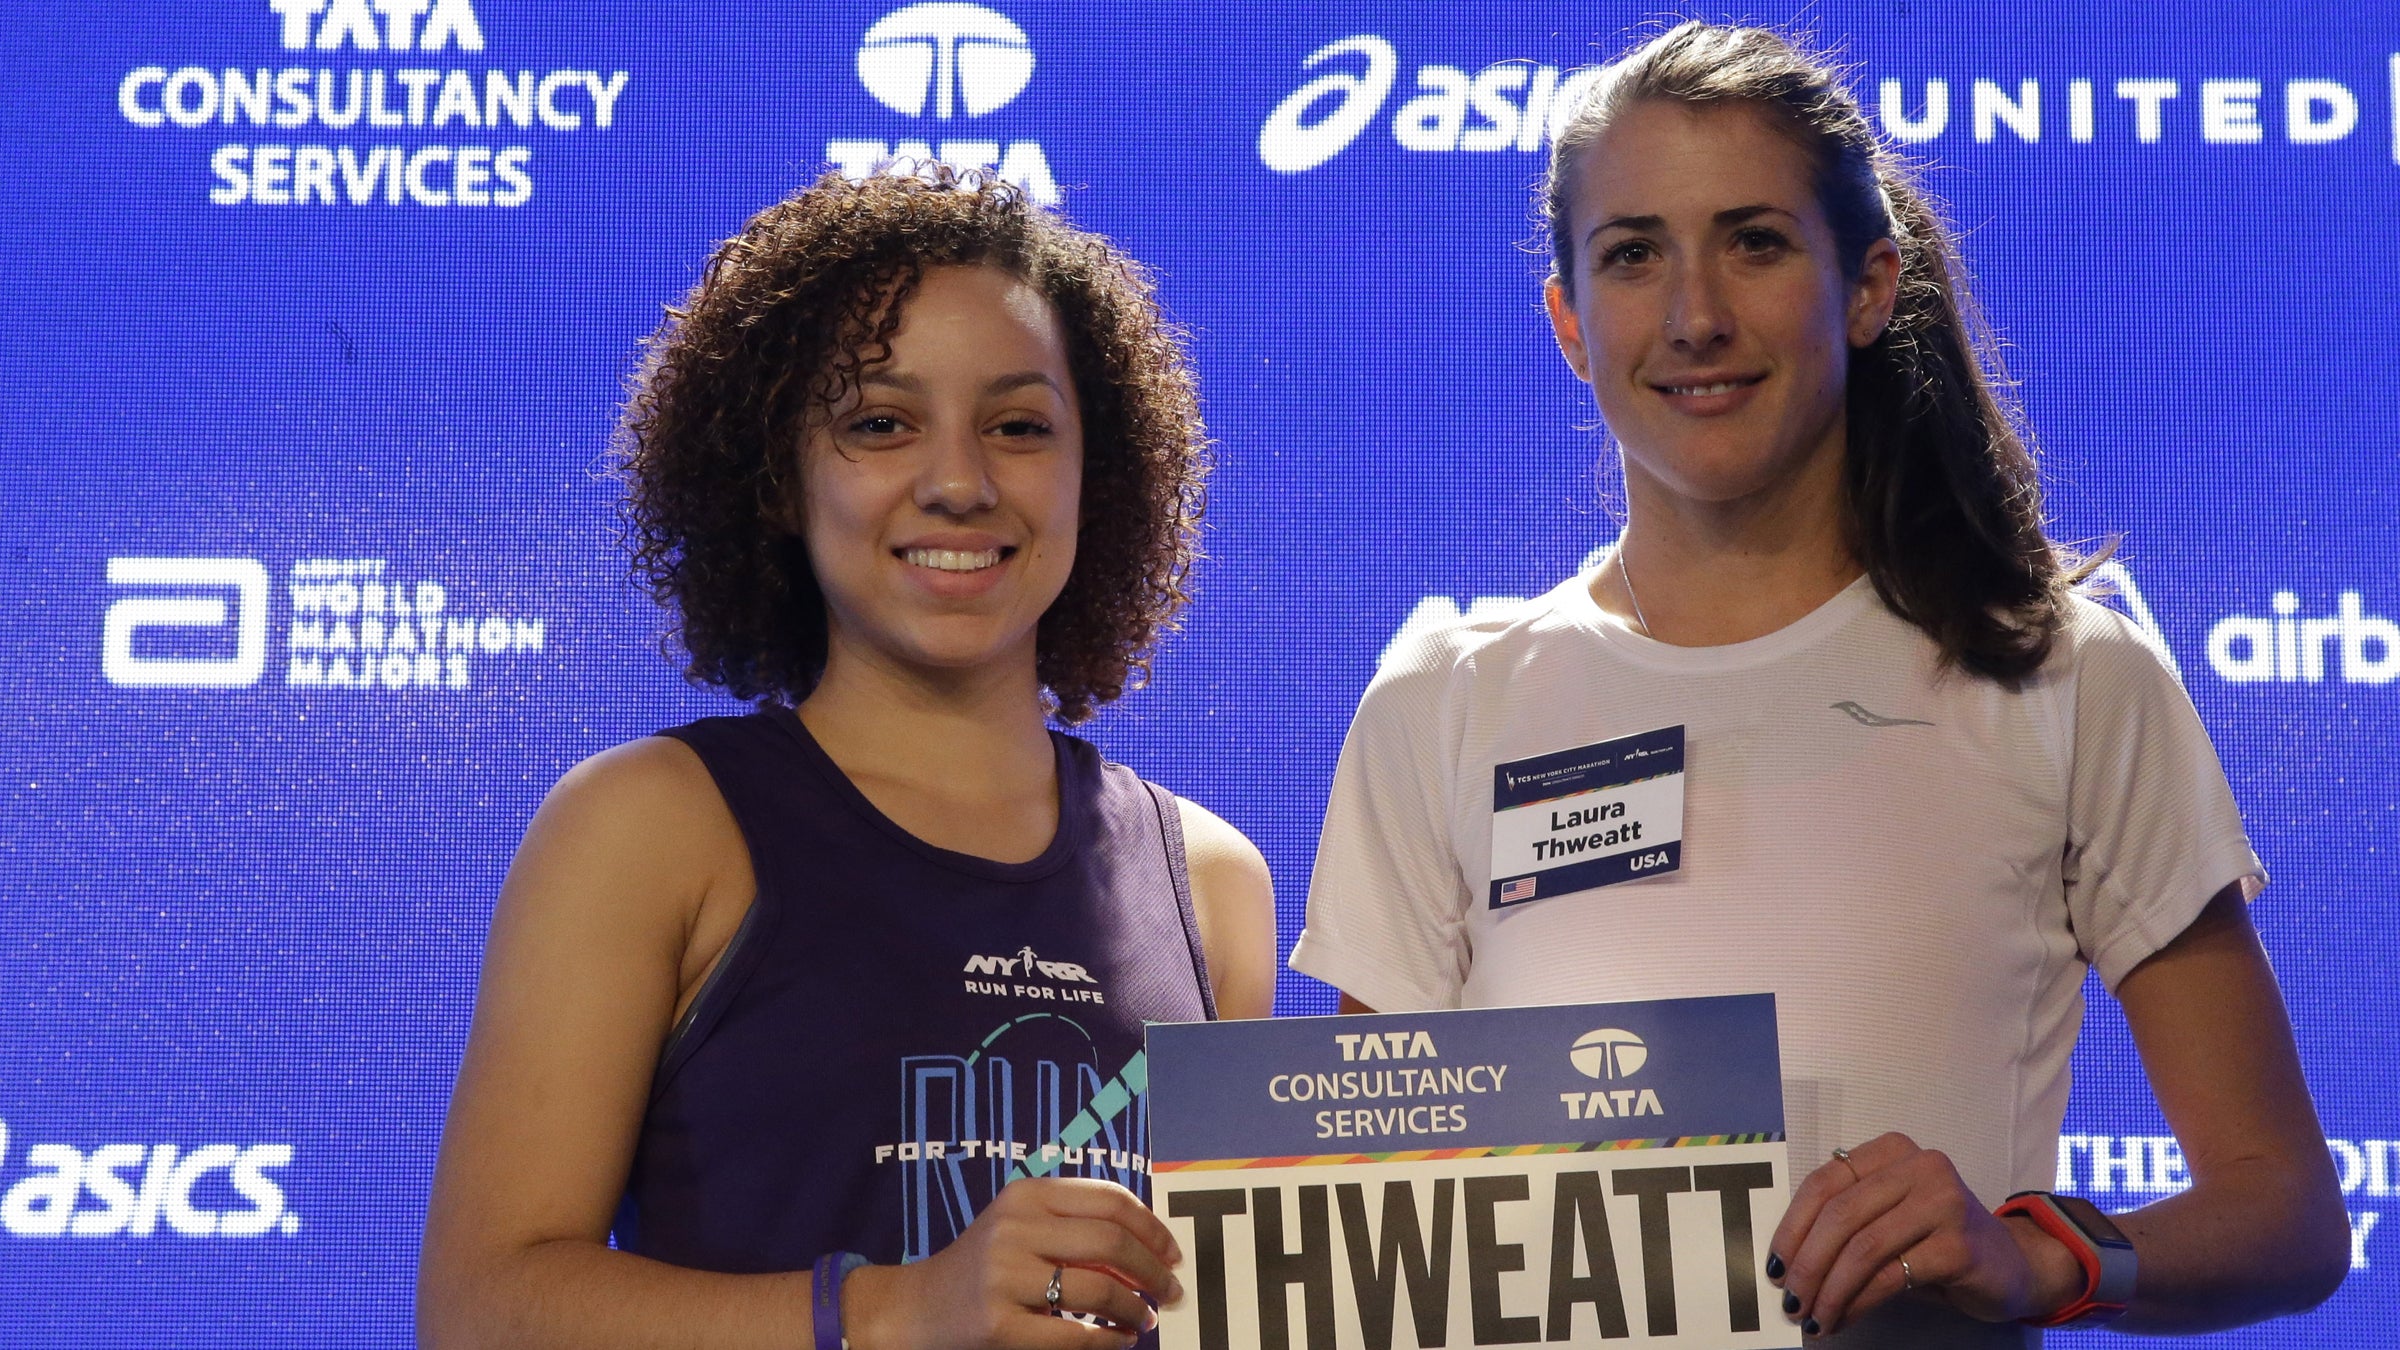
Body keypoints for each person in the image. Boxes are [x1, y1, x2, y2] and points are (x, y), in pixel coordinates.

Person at [1289, 22, 2346, 1347]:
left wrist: (2035, 1252)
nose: (1696, 316)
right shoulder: (1443, 702)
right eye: (1632, 255)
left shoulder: (2066, 672)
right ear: (1568, 318)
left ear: (1866, 285)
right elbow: (1354, 1248)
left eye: (1756, 240)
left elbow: (2291, 1213)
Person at [418, 167, 1276, 1350]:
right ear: (780, 476)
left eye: (1020, 427)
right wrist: (889, 1311)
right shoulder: (651, 824)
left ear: (1100, 473)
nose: (960, 482)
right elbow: (482, 1310)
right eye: (880, 422)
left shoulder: (1211, 884)